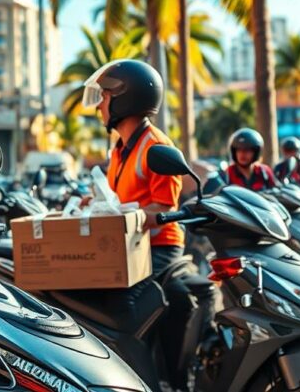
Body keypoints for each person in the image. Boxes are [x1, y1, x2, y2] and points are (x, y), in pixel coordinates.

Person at [81, 59, 191, 373]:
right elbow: (119, 200)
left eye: (104, 96)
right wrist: (95, 203)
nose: (100, 105)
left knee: (120, 305)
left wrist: (126, 216)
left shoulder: (155, 146)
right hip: (130, 244)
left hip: (160, 246)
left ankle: (143, 380)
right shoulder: (120, 148)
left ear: (123, 99)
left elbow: (164, 210)